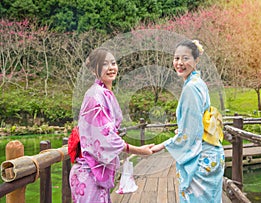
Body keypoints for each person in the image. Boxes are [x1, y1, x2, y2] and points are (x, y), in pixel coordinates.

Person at [69, 47, 154, 203]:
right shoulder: (95, 96)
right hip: (88, 173)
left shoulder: (103, 92)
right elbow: (105, 136)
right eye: (104, 64)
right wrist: (138, 150)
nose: (111, 68)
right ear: (95, 70)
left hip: (96, 171)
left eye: (113, 63)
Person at [151, 39, 225, 202]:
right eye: (177, 58)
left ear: (196, 60)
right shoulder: (198, 82)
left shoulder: (191, 87)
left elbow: (190, 133)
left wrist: (162, 145)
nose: (180, 63)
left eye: (186, 58)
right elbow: (195, 123)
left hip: (202, 156)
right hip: (211, 152)